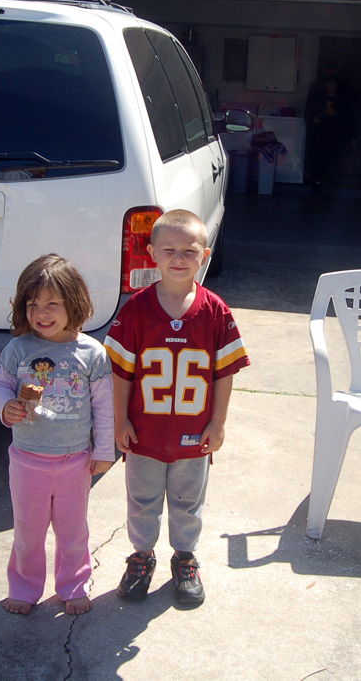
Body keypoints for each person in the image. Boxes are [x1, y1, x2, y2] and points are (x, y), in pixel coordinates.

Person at [105, 209, 250, 607]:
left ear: (205, 254)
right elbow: (121, 373)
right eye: (169, 249)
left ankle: (185, 558)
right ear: (151, 253)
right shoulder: (135, 310)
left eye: (190, 250)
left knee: (189, 502)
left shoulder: (216, 310)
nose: (179, 258)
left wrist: (218, 423)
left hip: (193, 433)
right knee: (142, 501)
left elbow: (224, 373)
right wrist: (120, 420)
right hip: (145, 433)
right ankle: (141, 556)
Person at [0, 254, 114, 616]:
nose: (41, 313)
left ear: (74, 303)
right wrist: (6, 406)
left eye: (52, 304)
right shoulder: (19, 349)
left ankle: (74, 584)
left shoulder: (92, 353)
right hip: (27, 459)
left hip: (75, 461)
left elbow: (104, 407)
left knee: (73, 530)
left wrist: (104, 450)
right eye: (32, 304)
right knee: (28, 531)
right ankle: (25, 587)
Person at [304, 68, 359, 194]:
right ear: (325, 85)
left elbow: (349, 119)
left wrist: (352, 136)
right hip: (319, 135)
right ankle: (317, 184)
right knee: (318, 160)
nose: (331, 86)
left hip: (336, 136)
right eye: (329, 83)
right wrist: (313, 120)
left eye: (334, 83)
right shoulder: (317, 98)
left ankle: (327, 187)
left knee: (333, 162)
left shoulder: (343, 101)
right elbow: (308, 114)